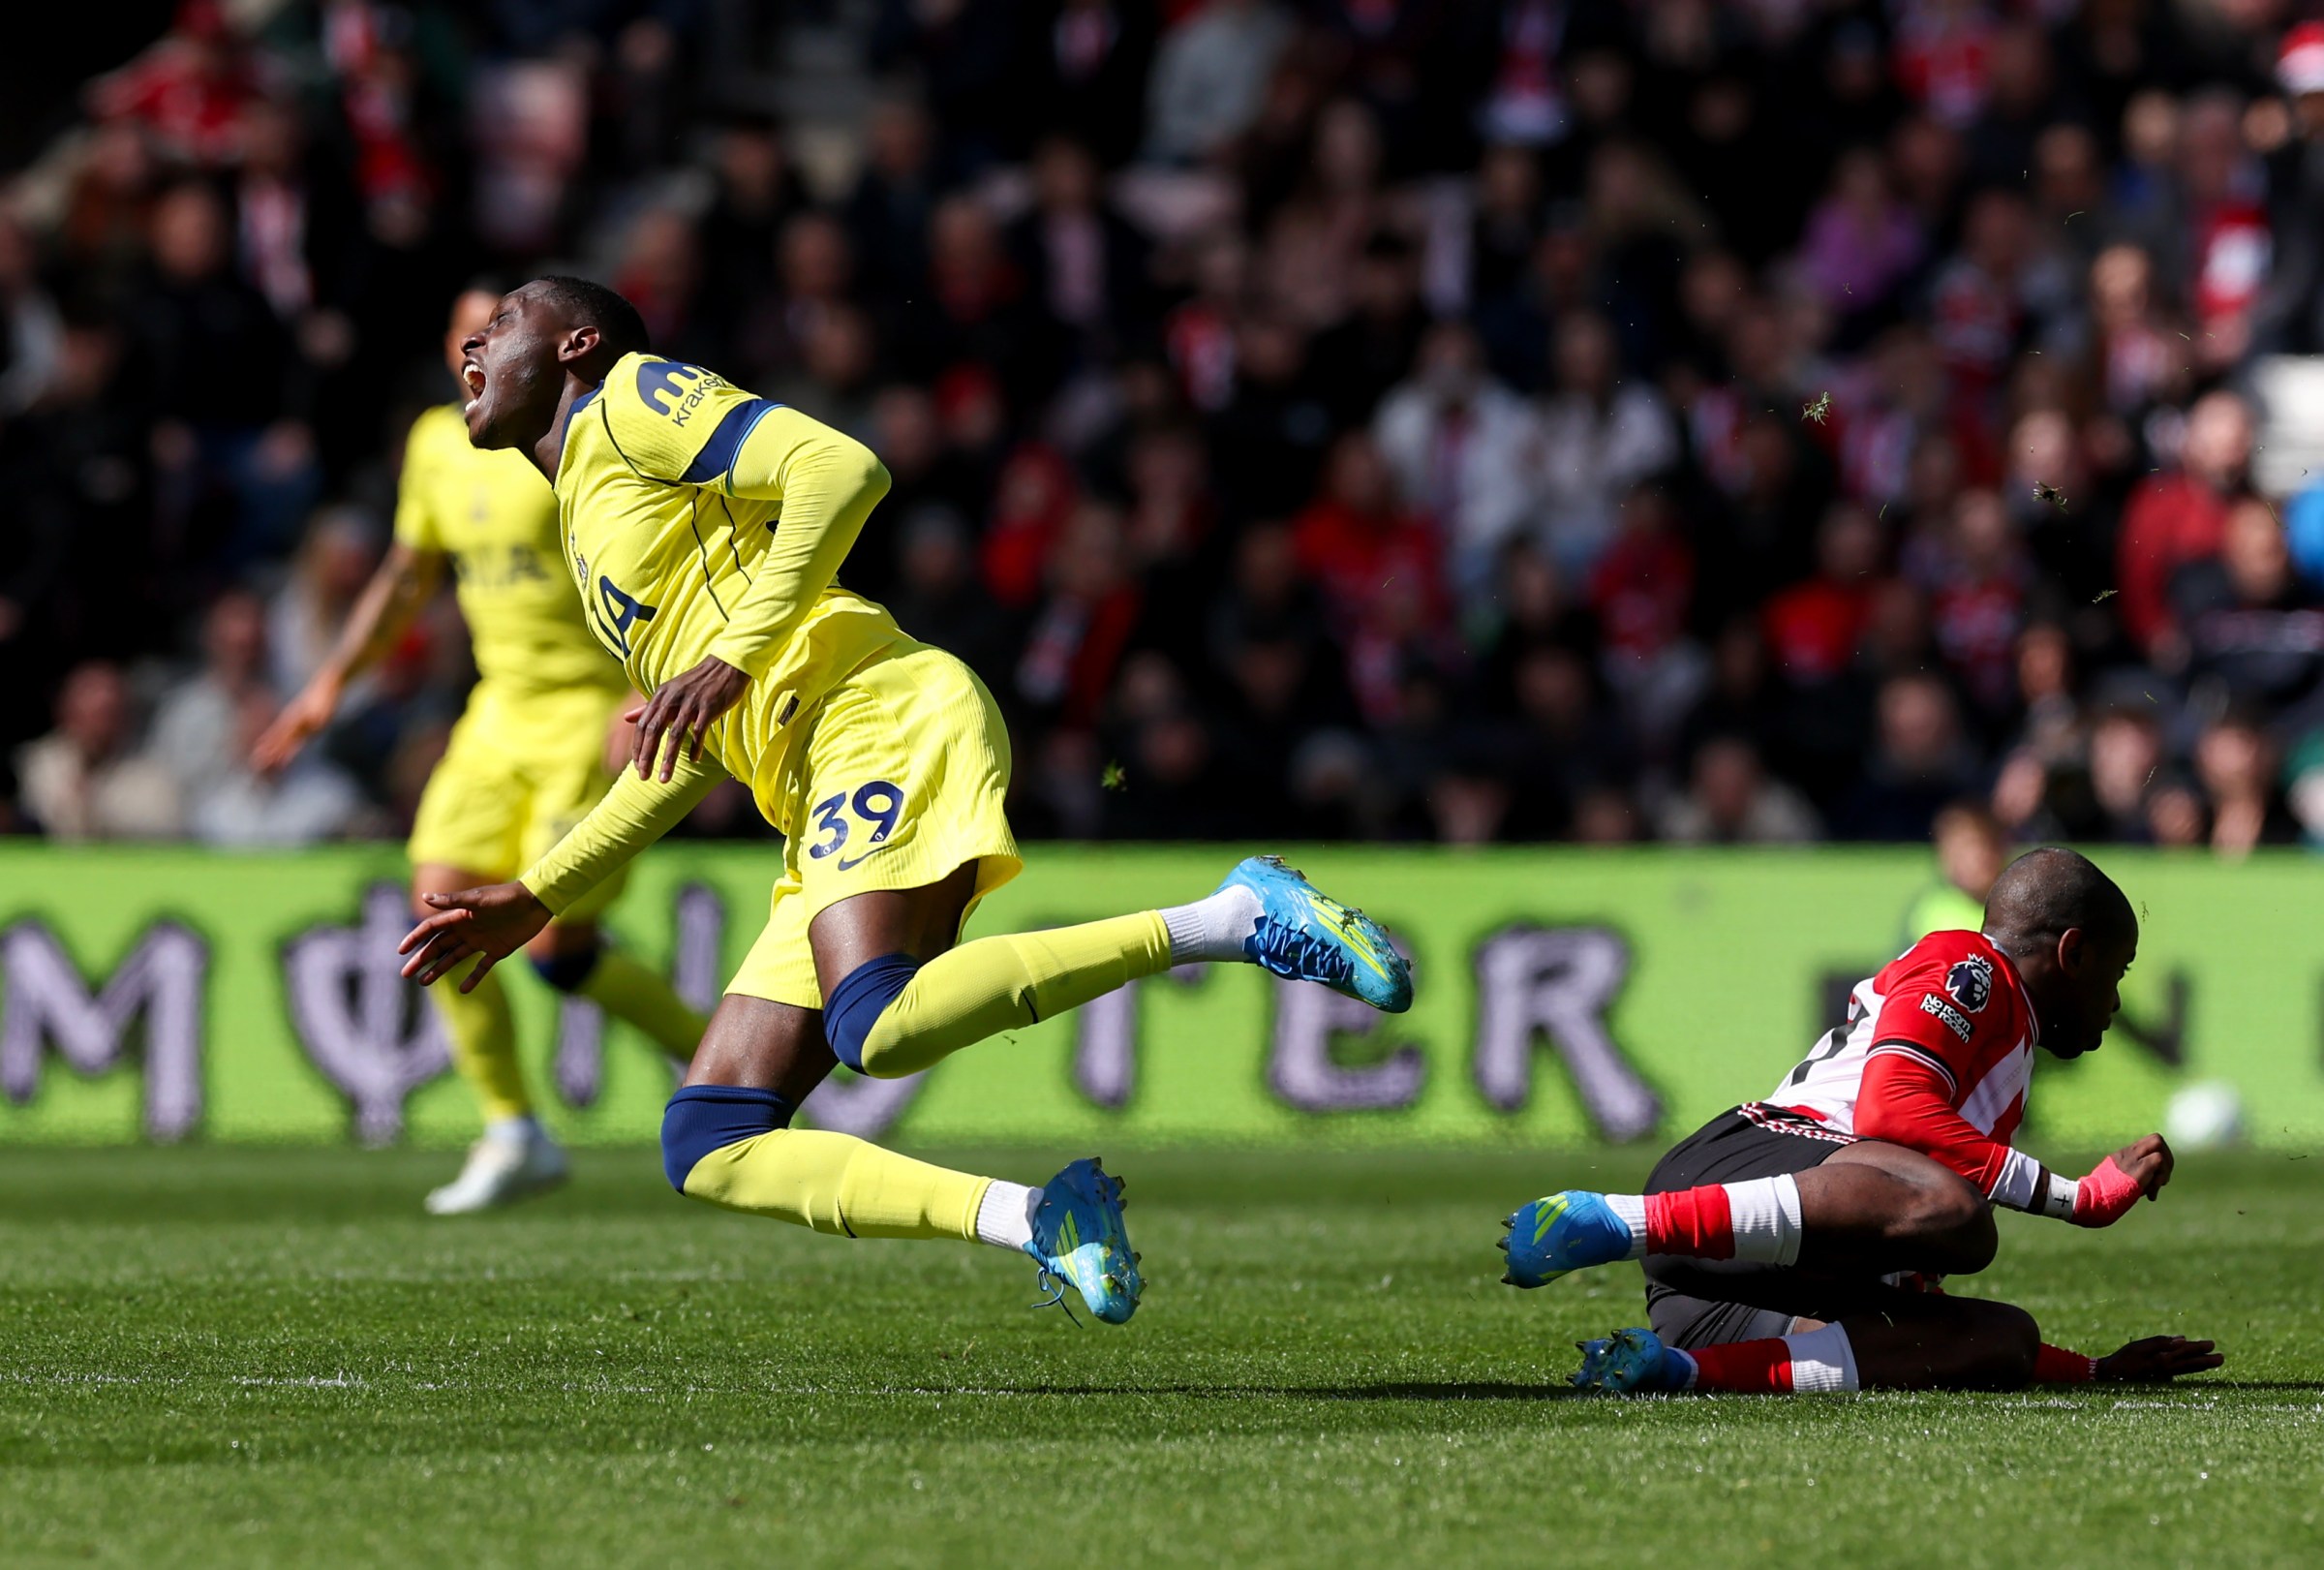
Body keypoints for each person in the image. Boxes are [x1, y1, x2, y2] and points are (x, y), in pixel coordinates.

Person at [394, 278, 1411, 1326]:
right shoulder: (587, 521)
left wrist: (736, 657)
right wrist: (538, 895)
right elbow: (684, 754)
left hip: (873, 713)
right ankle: (1038, 1219)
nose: (472, 337)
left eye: (504, 318)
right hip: (810, 779)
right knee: (711, 1141)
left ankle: (1237, 918)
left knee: (875, 1024)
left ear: (577, 343)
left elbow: (844, 466)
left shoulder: (631, 397)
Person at [255, 289, 707, 1216]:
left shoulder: (596, 432)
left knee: (554, 946)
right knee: (440, 908)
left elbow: (682, 547)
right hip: (498, 710)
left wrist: (654, 676)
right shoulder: (437, 442)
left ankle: (731, 1074)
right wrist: (330, 683)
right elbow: (407, 574)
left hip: (595, 708)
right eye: (468, 330)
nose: (479, 346)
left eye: (500, 328)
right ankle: (513, 1128)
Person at [1497, 847, 2221, 1395]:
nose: (2116, 1003)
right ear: (2072, 952)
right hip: (1751, 1161)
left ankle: (1677, 1371)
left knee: (2001, 1339)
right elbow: (1891, 1109)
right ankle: (1612, 1221)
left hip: (1729, 1295)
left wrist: (2097, 1370)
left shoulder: (2009, 1048)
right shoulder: (1972, 966)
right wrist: (2076, 1197)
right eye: (2118, 972)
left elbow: (1904, 1225)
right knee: (1959, 1216)